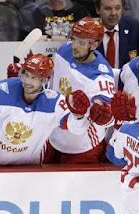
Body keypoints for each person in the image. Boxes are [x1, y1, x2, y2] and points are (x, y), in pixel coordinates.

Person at [0, 54, 91, 169]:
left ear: (46, 80)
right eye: (26, 75)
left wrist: (78, 115)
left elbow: (77, 129)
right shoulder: (1, 90)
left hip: (30, 171)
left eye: (34, 77)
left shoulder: (55, 102)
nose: (27, 81)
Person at [46, 17, 117, 163]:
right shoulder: (63, 51)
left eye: (81, 43)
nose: (74, 46)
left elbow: (107, 116)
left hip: (81, 148)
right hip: (51, 137)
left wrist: (105, 115)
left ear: (95, 44)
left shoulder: (101, 76)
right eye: (74, 39)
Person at [95, 0, 139, 69]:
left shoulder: (135, 28)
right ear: (98, 10)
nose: (113, 13)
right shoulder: (88, 32)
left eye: (117, 8)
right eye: (108, 9)